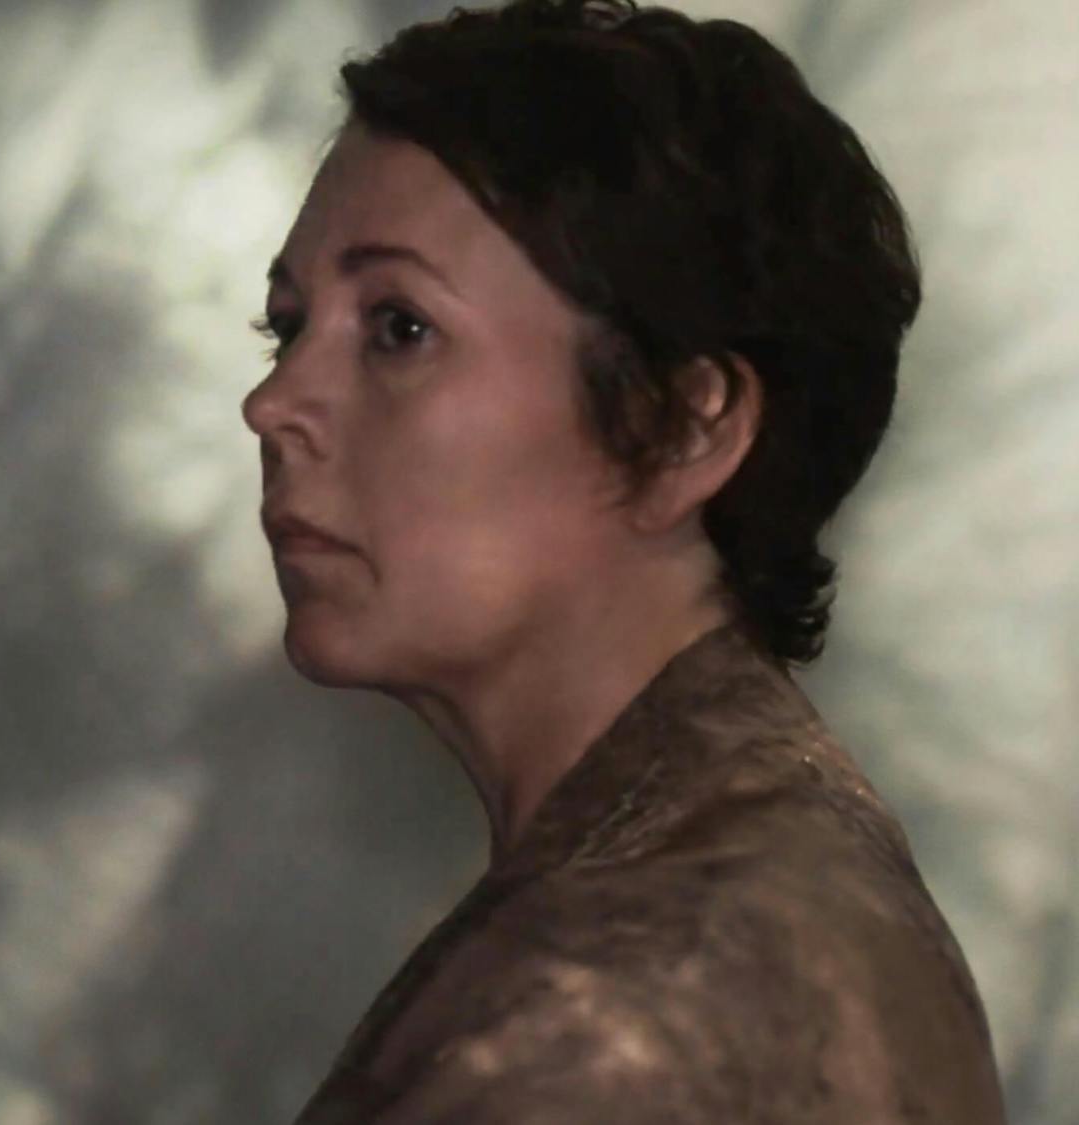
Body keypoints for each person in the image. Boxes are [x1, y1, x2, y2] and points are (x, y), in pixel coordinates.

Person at [238, 1, 1007, 1121]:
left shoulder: (617, 1023)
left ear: (682, 427)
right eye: (286, 324)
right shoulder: (719, 878)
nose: (270, 405)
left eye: (398, 327)